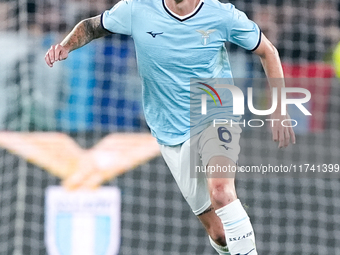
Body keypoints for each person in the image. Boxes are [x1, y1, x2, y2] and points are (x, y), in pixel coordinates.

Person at [45, 0, 296, 254]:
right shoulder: (136, 9)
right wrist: (66, 45)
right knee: (219, 233)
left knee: (221, 191)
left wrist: (280, 108)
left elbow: (268, 51)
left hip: (215, 112)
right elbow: (91, 27)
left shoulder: (221, 14)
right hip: (168, 130)